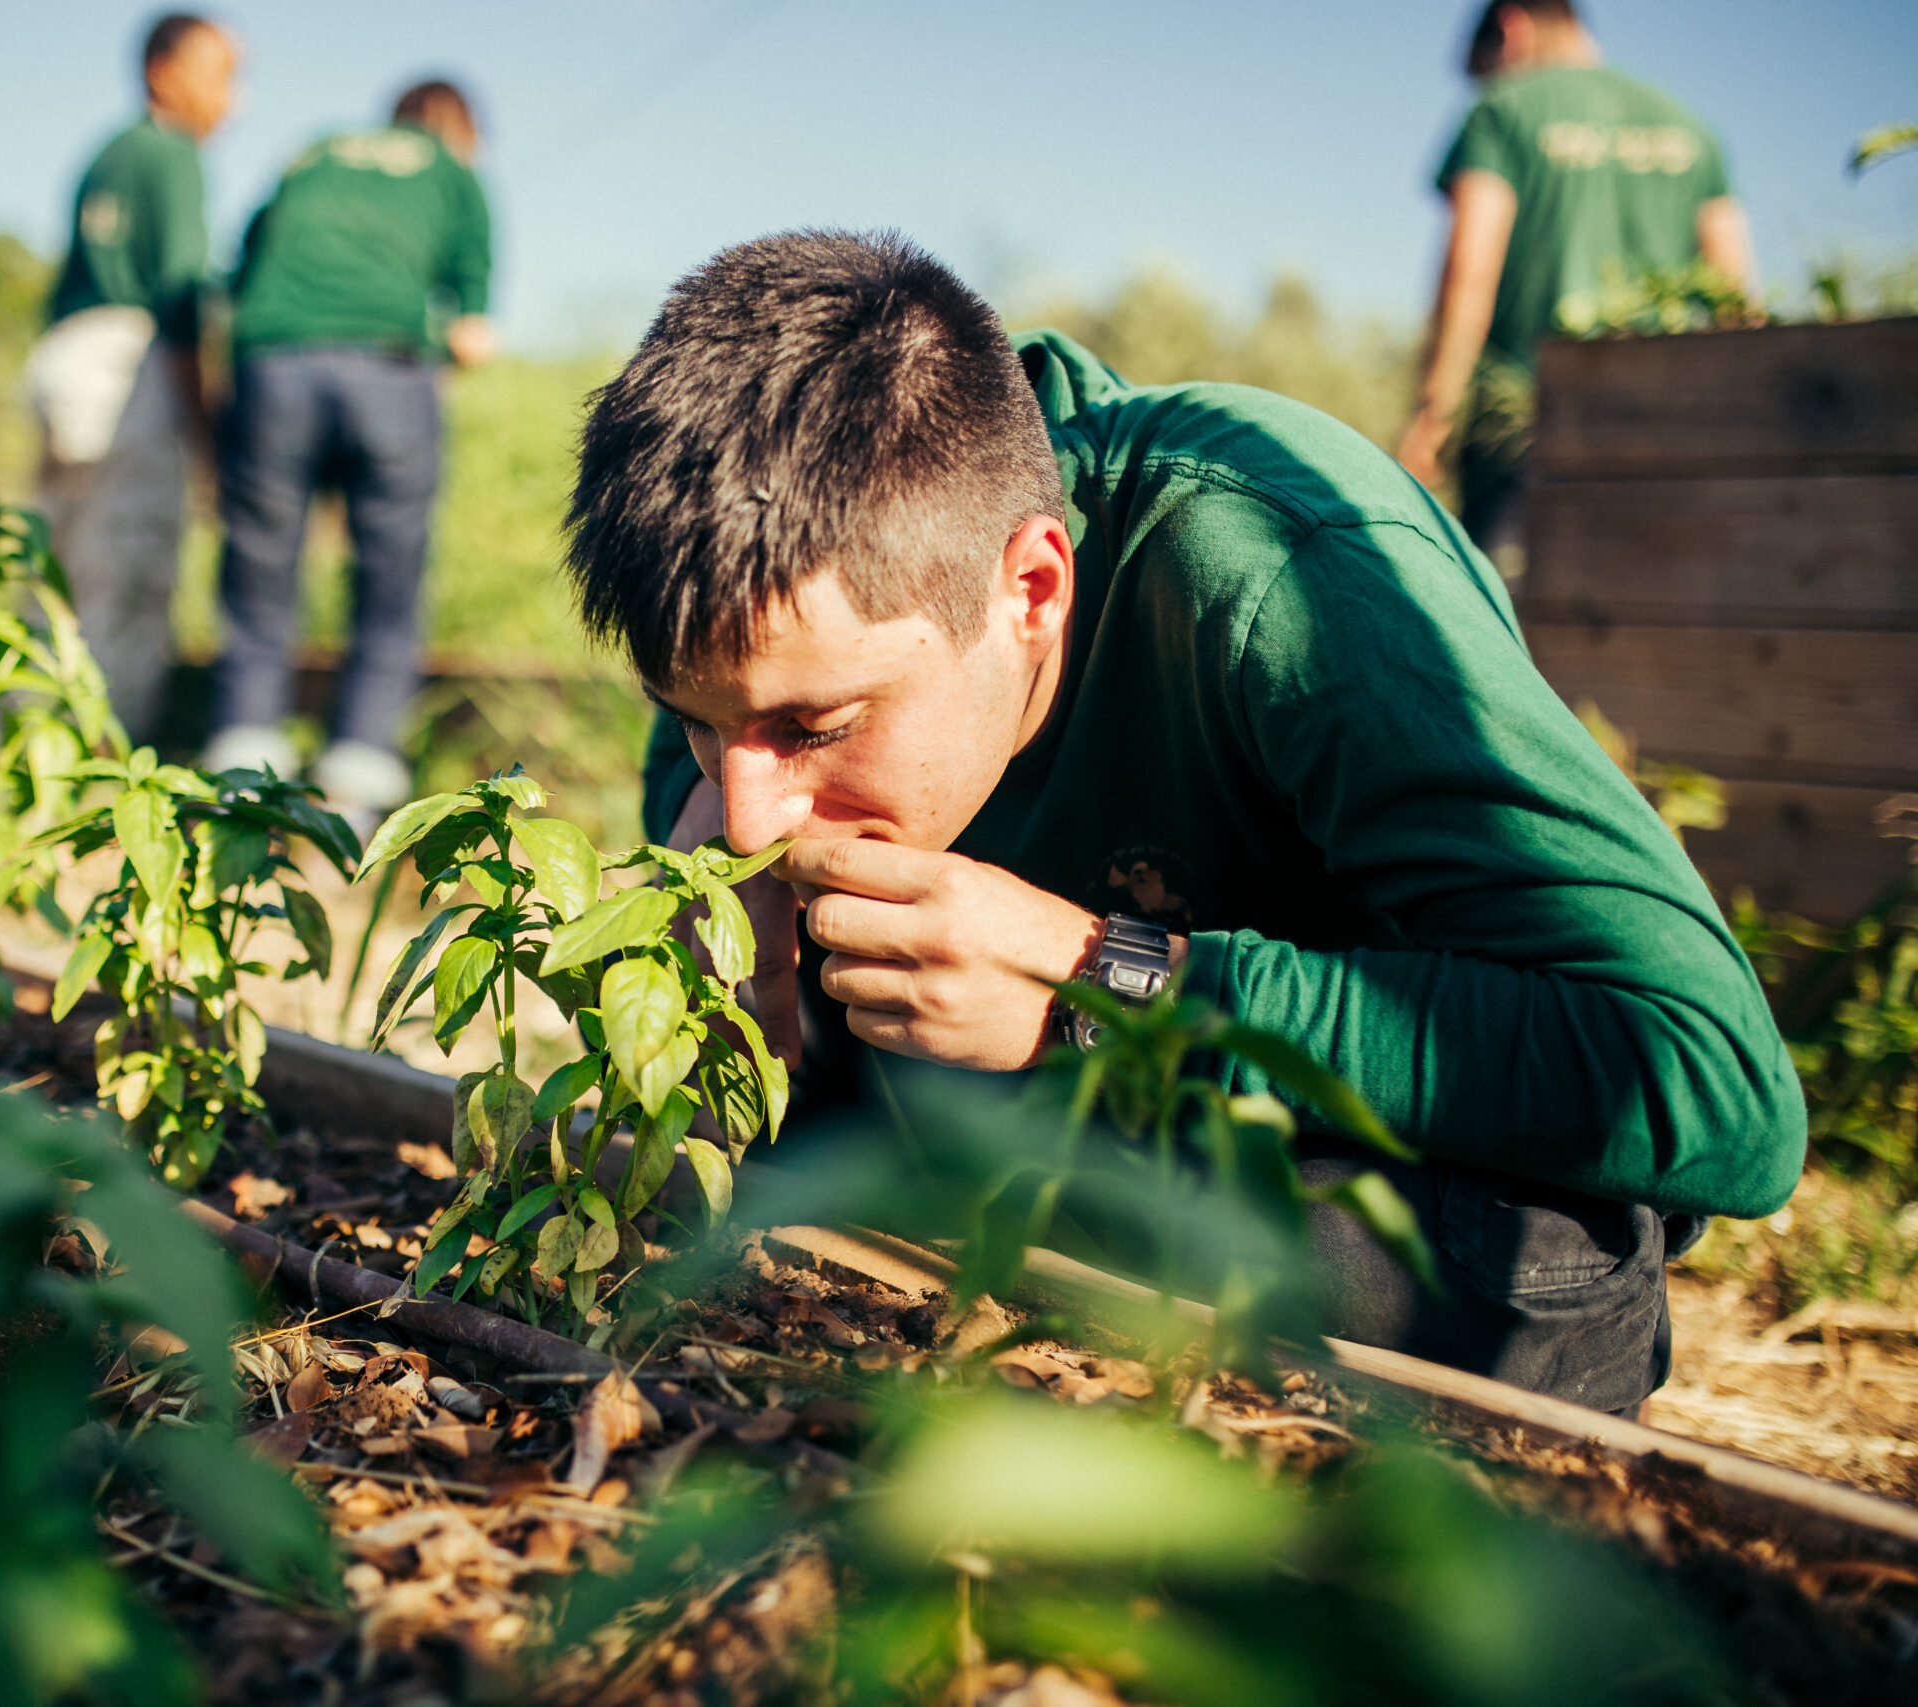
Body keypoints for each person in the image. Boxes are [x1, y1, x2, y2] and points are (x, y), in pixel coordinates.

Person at [571, 231, 1804, 1414]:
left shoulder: (1279, 568)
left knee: (1442, 1271)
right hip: (1053, 1135)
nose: (750, 815)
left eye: (816, 729)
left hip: (1346, 1160)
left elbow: (1719, 1092)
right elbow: (731, 738)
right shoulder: (769, 612)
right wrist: (684, 839)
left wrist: (1103, 983)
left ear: (1033, 589)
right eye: (692, 721)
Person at [199, 79, 495, 830]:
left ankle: (242, 784)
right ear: (460, 130)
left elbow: (241, 270)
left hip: (273, 366)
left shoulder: (315, 151)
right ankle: (353, 792)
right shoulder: (453, 170)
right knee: (389, 584)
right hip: (387, 372)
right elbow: (472, 333)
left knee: (261, 570)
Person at [1395, 0, 1755, 576]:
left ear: (1510, 29)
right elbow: (1736, 297)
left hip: (1525, 435)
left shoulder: (1501, 110)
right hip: (1668, 443)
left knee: (1507, 636)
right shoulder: (1692, 128)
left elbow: (1470, 271)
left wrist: (1429, 420)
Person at [28, 11, 238, 742]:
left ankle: (22, 749)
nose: (231, 102)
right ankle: (102, 768)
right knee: (128, 578)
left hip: (63, 357)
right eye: (221, 77)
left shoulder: (106, 153)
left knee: (55, 578)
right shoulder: (173, 153)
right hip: (126, 366)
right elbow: (182, 295)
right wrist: (205, 422)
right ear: (163, 72)